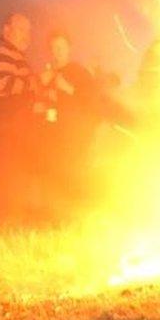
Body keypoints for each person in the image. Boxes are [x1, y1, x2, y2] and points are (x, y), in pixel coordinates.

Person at [0, 13, 36, 220]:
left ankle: (11, 225)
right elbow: (4, 84)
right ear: (7, 30)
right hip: (4, 132)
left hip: (14, 131)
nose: (27, 35)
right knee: (6, 181)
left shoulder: (17, 55)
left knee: (15, 181)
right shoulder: (2, 51)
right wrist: (33, 84)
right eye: (21, 29)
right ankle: (2, 228)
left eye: (29, 30)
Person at [39, 32, 98, 210]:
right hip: (54, 134)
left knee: (76, 173)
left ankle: (81, 212)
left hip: (76, 133)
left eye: (61, 47)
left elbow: (92, 100)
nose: (58, 51)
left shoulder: (78, 70)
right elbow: (46, 104)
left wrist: (68, 88)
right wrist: (44, 102)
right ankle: (60, 214)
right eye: (54, 48)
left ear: (69, 49)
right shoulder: (49, 74)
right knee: (57, 175)